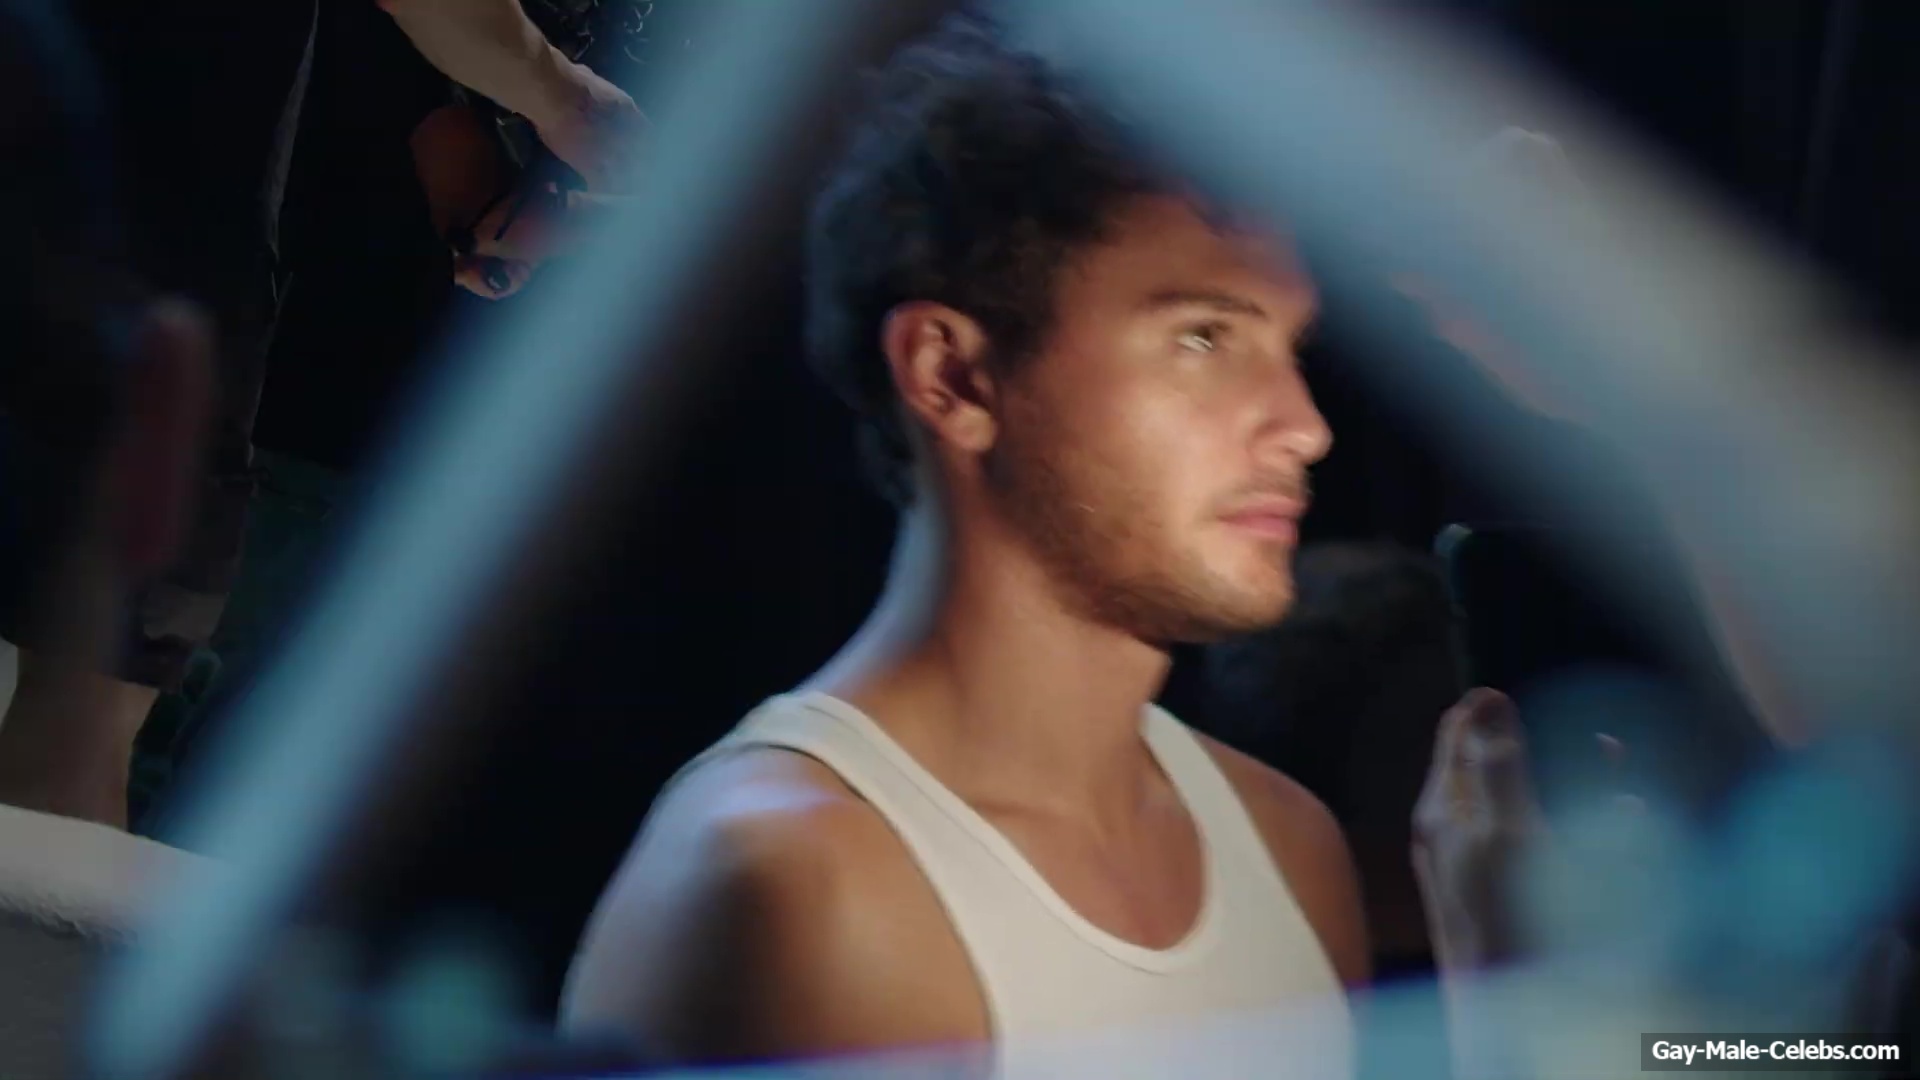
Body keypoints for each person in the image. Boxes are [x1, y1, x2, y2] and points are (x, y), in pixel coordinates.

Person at [559, 13, 1508, 1073]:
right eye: (1204, 337)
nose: (1303, 425)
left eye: (1289, 347)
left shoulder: (1289, 845)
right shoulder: (791, 880)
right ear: (953, 376)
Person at [0, 0, 645, 827]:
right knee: (104, 752)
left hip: (312, 403)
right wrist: (571, 112)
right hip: (291, 402)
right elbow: (469, 186)